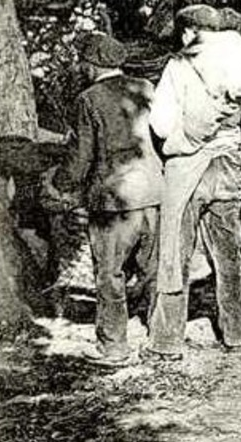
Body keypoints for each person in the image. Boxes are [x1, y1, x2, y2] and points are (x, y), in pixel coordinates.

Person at [146, 5, 241, 359]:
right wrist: (240, 166)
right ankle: (236, 331)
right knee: (228, 253)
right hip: (227, 165)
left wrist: (178, 145)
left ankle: (167, 340)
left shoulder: (179, 65)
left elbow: (161, 124)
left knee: (175, 252)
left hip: (186, 171)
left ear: (188, 32)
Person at [50, 33, 163, 365]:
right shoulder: (145, 87)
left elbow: (81, 156)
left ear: (91, 64)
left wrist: (61, 183)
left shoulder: (88, 99)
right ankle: (162, 336)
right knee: (153, 269)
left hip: (113, 199)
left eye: (84, 62)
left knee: (110, 274)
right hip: (154, 190)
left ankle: (114, 346)